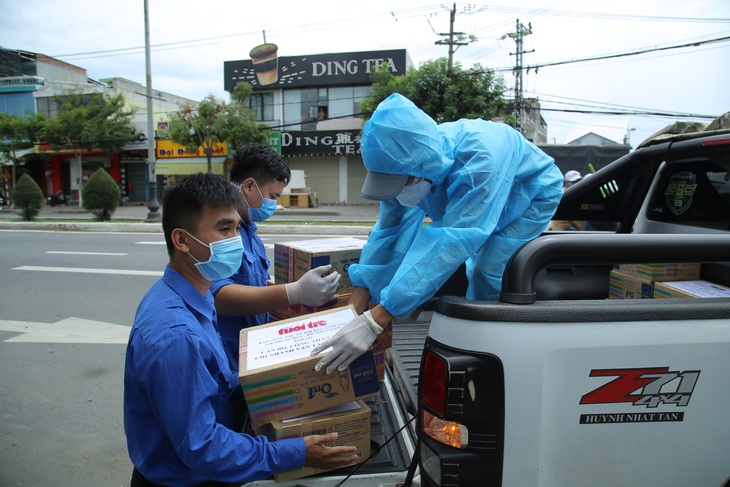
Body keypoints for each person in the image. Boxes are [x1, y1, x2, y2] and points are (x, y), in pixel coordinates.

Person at [124, 173, 358, 487]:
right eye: (224, 229)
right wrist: (294, 453)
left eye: (237, 228)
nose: (235, 240)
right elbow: (203, 448)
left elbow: (218, 385)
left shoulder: (194, 295)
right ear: (181, 240)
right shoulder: (175, 335)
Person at [311, 93, 563, 374]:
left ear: (421, 170)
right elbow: (388, 234)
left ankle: (488, 355)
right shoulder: (404, 163)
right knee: (451, 250)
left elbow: (450, 242)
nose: (395, 191)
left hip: (529, 192)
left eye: (400, 182)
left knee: (488, 270)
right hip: (474, 190)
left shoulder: (476, 163)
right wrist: (356, 305)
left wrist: (376, 319)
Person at [211, 143, 340, 368]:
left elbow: (253, 285)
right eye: (272, 196)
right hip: (228, 356)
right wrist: (294, 292)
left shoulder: (250, 232)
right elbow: (219, 297)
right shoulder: (222, 233)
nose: (274, 204)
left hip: (251, 351)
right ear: (249, 186)